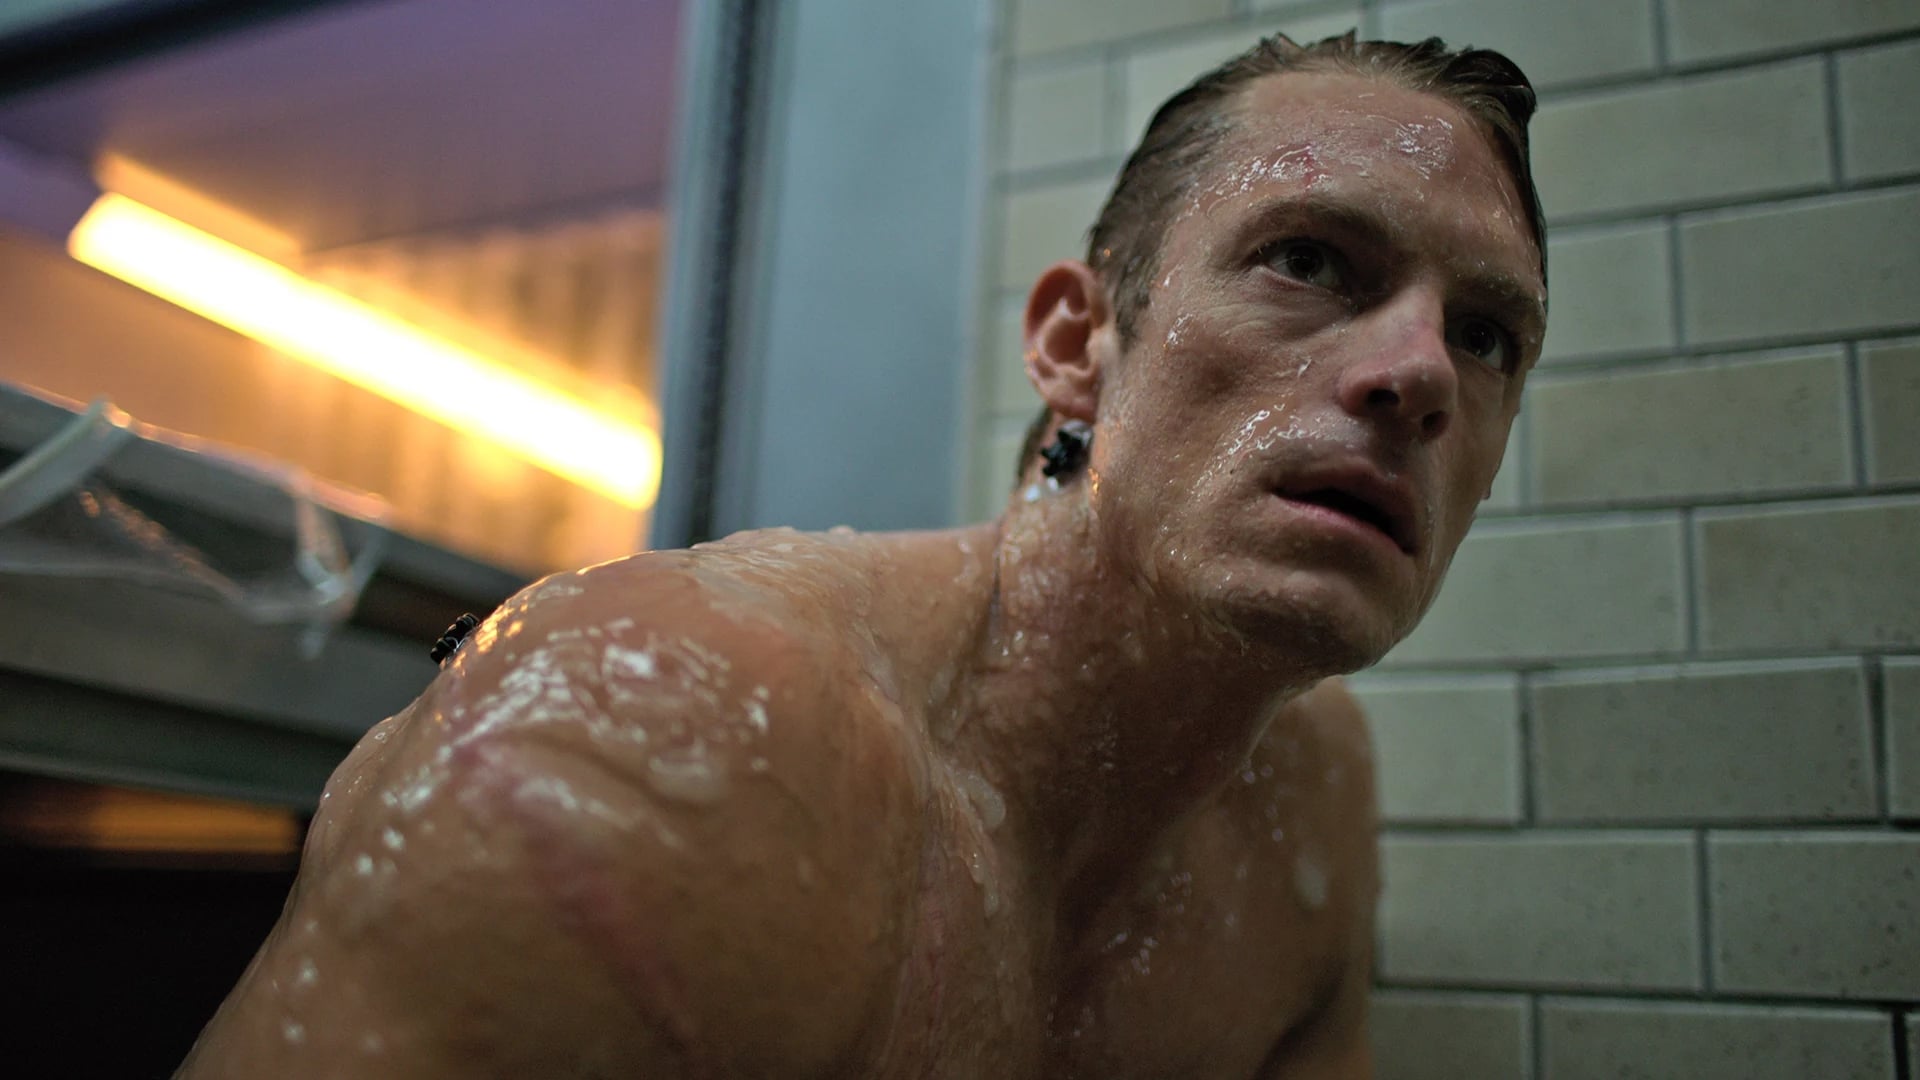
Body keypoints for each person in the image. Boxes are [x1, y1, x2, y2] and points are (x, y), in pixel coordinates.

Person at [180, 30, 1547, 1080]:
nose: (1423, 372)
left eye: (1487, 336)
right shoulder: (663, 728)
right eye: (1310, 260)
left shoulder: (1310, 799)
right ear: (1077, 345)